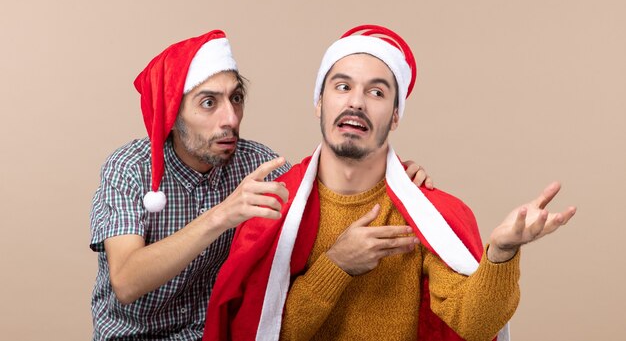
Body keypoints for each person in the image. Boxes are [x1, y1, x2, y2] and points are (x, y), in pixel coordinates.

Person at [203, 25, 576, 341]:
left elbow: (474, 325)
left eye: (377, 92)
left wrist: (501, 253)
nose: (357, 103)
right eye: (342, 87)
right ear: (319, 102)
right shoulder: (275, 207)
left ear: (395, 116)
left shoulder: (424, 213)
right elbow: (262, 332)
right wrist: (336, 265)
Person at [89, 29, 432, 341]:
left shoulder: (257, 164)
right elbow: (126, 281)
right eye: (209, 103)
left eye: (236, 99)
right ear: (173, 113)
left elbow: (324, 192)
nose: (230, 119)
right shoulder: (130, 168)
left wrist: (395, 178)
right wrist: (223, 214)